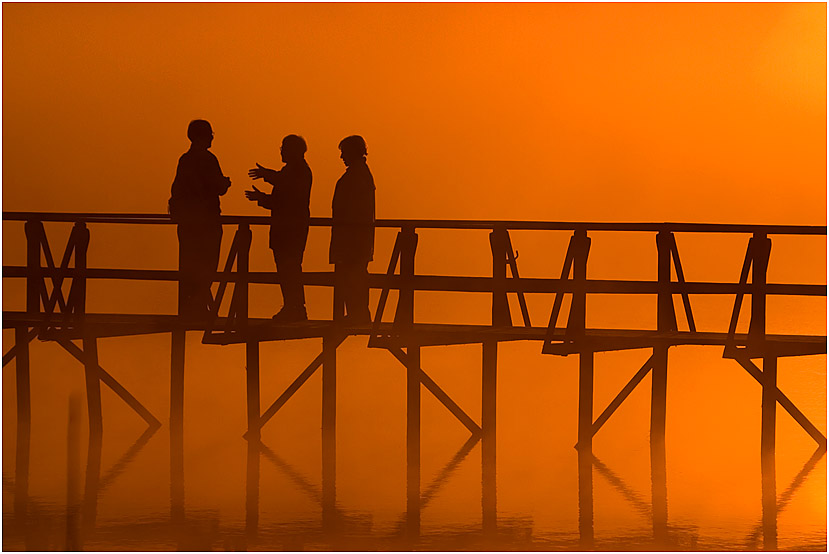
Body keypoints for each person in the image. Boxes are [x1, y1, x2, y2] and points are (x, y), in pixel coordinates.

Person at [245, 135, 313, 322]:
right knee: (286, 270)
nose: (281, 150)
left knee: (289, 268)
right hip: (286, 229)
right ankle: (293, 306)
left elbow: (286, 193)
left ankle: (296, 308)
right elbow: (281, 200)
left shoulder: (299, 171)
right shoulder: (292, 170)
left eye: (284, 147)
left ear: (293, 150)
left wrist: (266, 175)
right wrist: (262, 198)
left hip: (290, 230)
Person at [168, 119, 231, 318]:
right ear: (204, 136)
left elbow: (177, 188)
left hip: (188, 222)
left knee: (189, 262)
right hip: (207, 221)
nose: (213, 136)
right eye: (211, 133)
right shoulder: (208, 159)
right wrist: (225, 183)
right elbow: (218, 187)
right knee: (208, 262)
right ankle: (199, 305)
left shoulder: (185, 159)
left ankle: (192, 305)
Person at [329, 135, 375, 324]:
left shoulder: (357, 176)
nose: (341, 157)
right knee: (353, 276)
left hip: (352, 240)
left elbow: (353, 209)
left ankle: (358, 315)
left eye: (343, 153)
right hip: (354, 239)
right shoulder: (361, 174)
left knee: (353, 276)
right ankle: (357, 314)